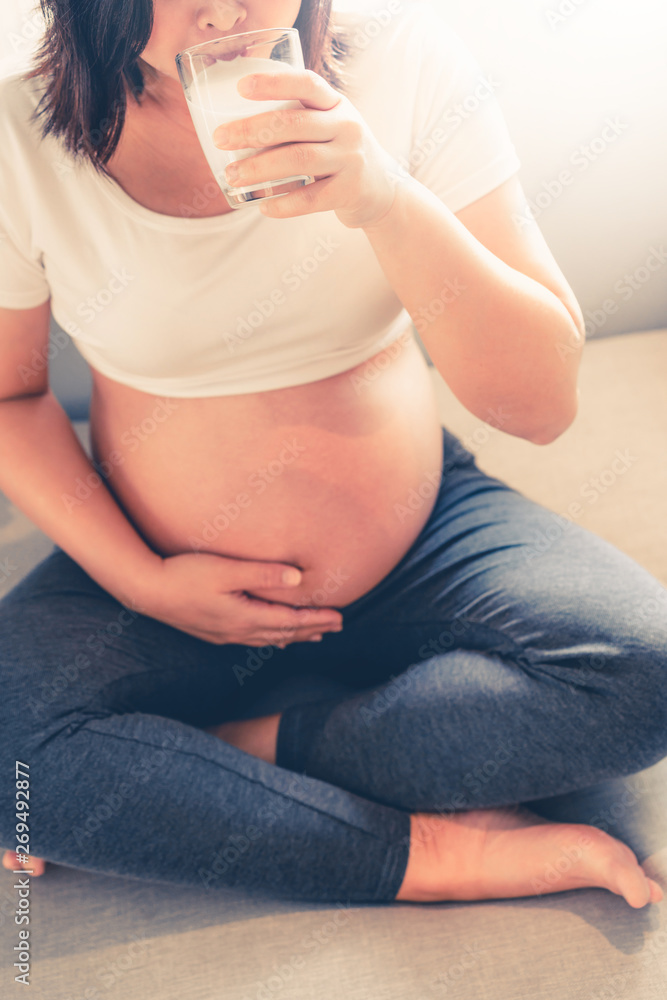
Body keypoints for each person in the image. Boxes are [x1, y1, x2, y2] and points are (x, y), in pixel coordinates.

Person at [1, 0, 666, 908]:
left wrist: (383, 197)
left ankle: (229, 751)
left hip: (418, 540)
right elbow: (13, 396)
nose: (228, 9)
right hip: (157, 572)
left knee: (641, 673)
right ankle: (429, 856)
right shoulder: (19, 128)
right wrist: (140, 582)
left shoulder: (404, 62)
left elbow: (540, 405)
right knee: (11, 756)